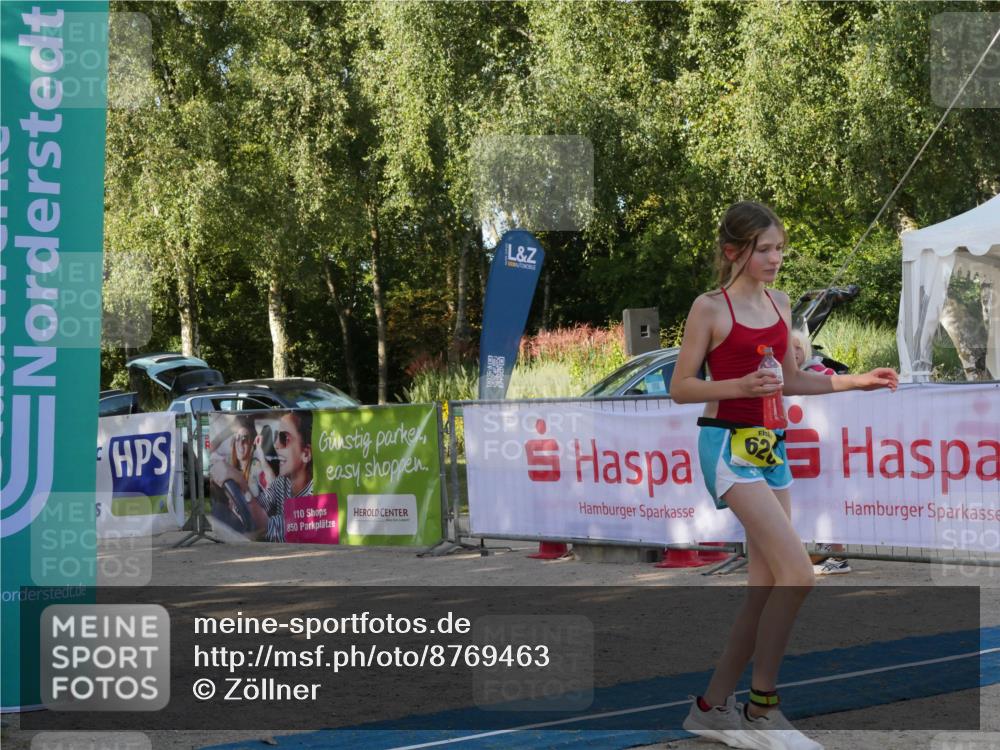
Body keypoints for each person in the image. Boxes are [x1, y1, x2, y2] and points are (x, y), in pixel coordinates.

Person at [670, 201, 897, 750]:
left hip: (772, 449)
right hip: (725, 445)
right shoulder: (709, 308)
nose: (775, 259)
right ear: (734, 252)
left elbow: (792, 380)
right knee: (797, 571)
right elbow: (681, 386)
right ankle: (761, 709)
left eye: (779, 249)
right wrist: (739, 388)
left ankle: (709, 709)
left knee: (766, 587)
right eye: (764, 249)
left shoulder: (780, 303)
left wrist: (856, 381)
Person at [790, 329, 851, 575]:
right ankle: (825, 552)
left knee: (826, 502)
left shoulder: (820, 373)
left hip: (822, 449)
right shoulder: (783, 376)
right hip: (800, 449)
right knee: (809, 504)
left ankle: (837, 556)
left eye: (798, 347)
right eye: (788, 348)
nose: (793, 353)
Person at [254, 410, 314, 543]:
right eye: (276, 437)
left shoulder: (315, 493)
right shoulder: (282, 482)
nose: (276, 445)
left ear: (306, 454)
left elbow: (269, 527)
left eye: (284, 438)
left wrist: (240, 484)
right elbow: (261, 504)